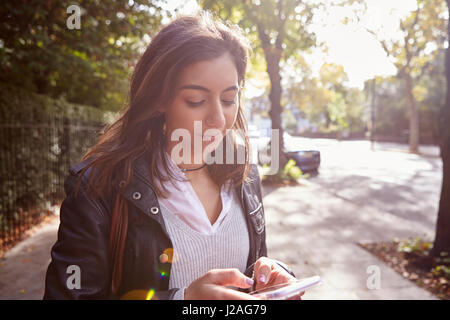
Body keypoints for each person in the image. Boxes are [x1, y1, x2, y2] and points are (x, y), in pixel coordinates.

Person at [43, 11, 301, 300]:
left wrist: (271, 277)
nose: (218, 118)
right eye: (196, 100)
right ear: (159, 100)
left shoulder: (244, 175)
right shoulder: (97, 188)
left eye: (229, 99)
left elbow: (250, 273)